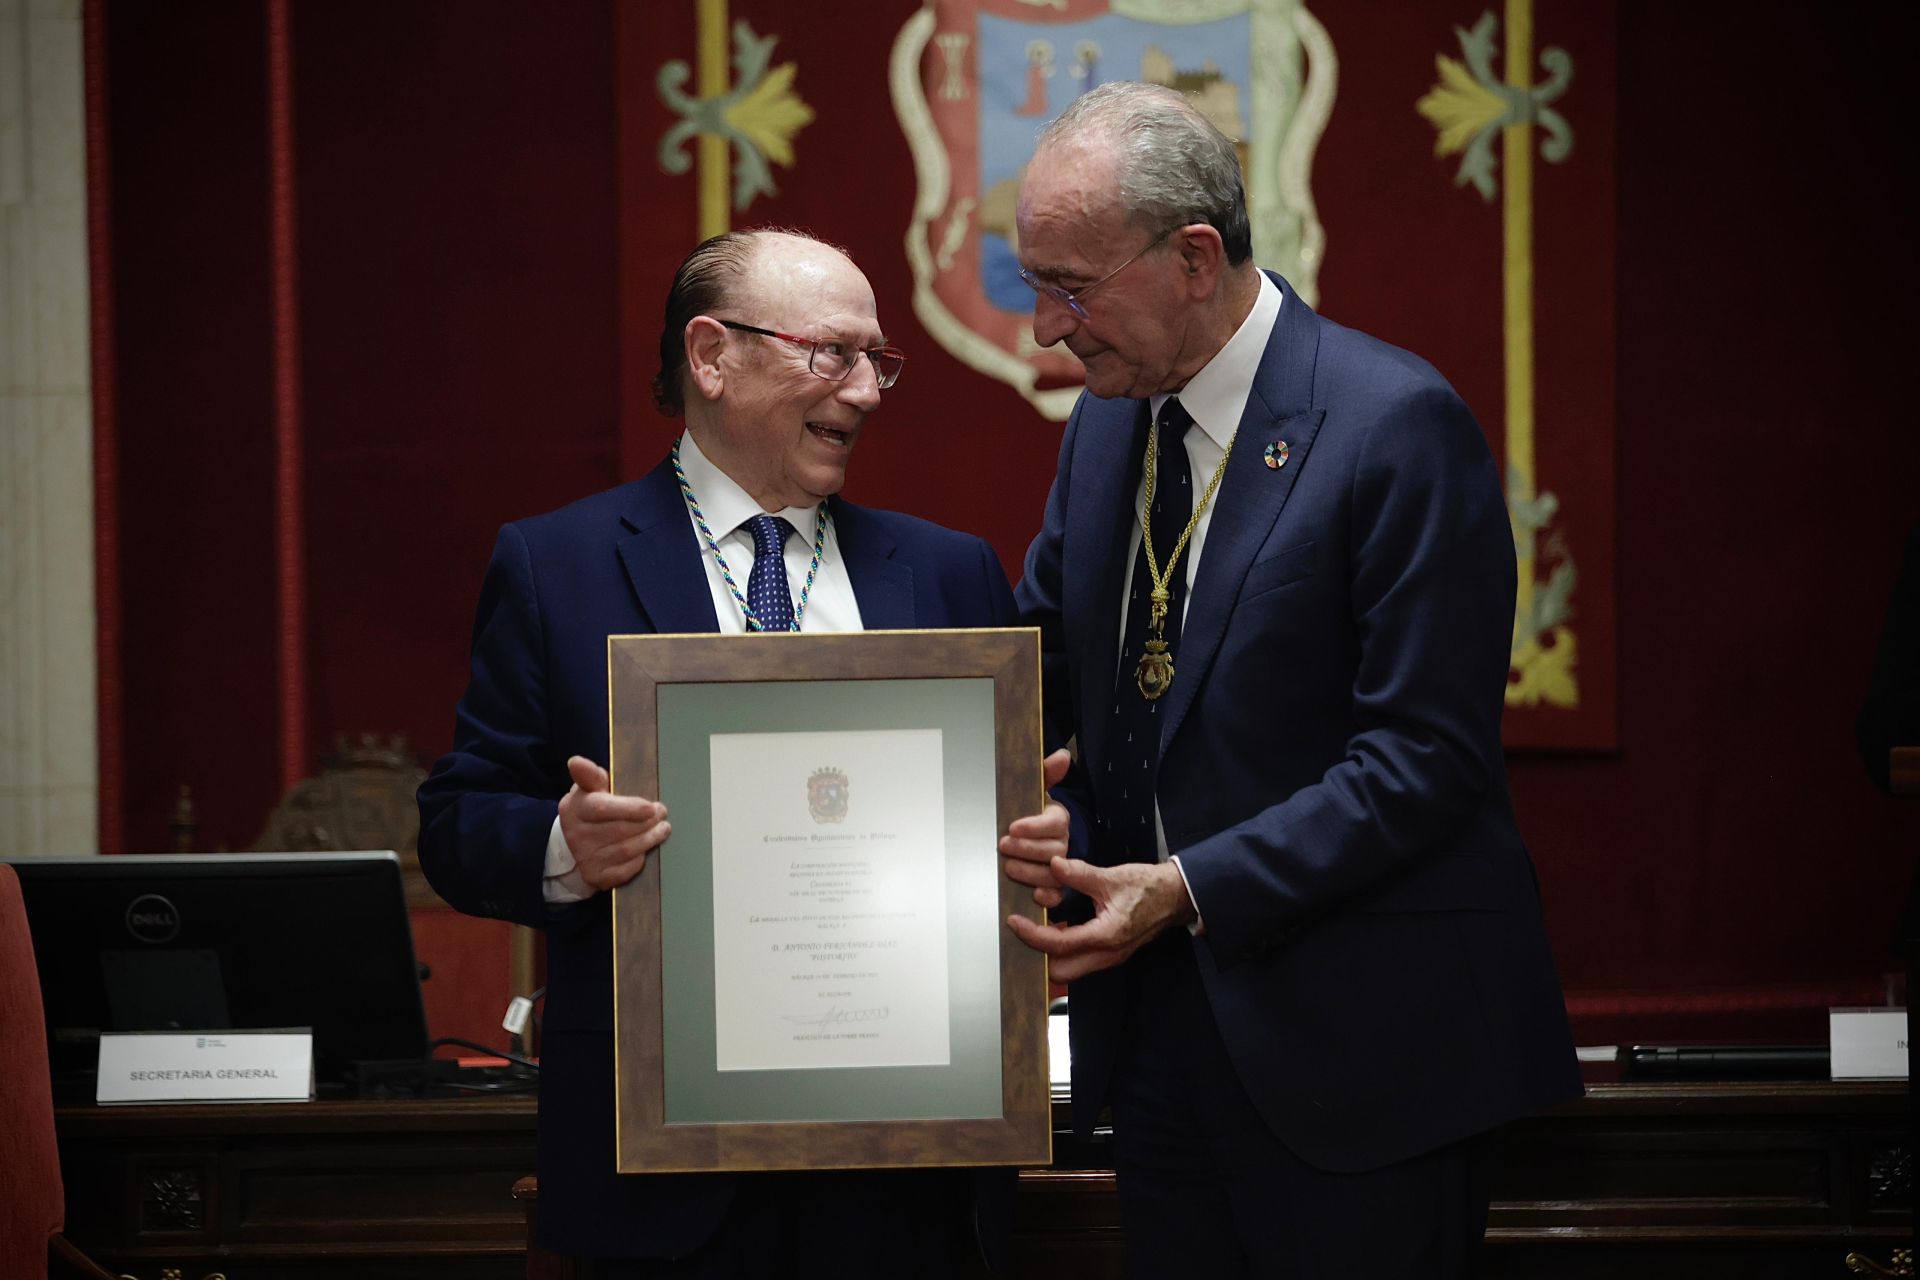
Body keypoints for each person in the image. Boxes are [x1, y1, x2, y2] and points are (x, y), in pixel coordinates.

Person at [996, 82, 1583, 1276]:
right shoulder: (1106, 429)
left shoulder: (1395, 424)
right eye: (1035, 286)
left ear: (1194, 256)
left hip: (1365, 1052)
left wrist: (1185, 885)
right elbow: (1049, 670)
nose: (1047, 329)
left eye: (1072, 287)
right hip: (1158, 1041)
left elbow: (1425, 759)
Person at [418, 229, 1023, 1275]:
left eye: (879, 359)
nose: (869, 390)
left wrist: (1036, 833)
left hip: (907, 1174)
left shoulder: (948, 572)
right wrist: (566, 845)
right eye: (833, 353)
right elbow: (459, 820)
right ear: (711, 354)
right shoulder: (556, 565)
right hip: (660, 1178)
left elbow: (1047, 811)